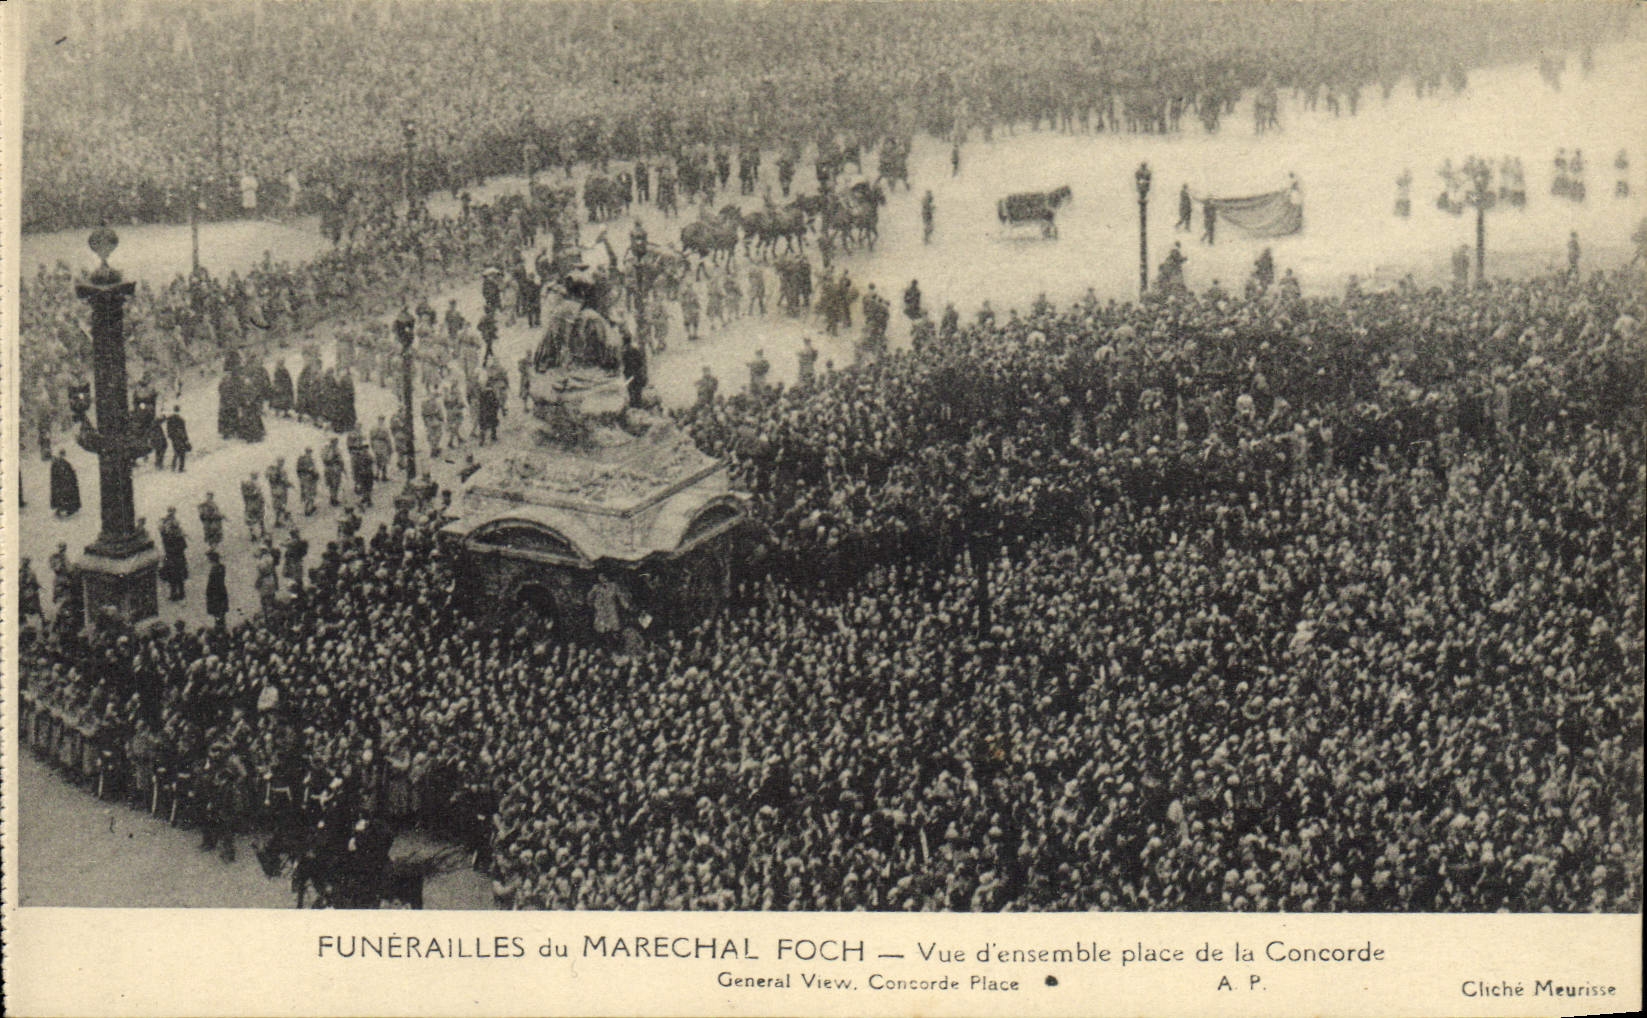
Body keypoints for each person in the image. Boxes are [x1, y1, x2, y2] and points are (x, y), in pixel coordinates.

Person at [158, 507, 189, 602]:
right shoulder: (175, 536)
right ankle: (178, 593)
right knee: (176, 577)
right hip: (177, 558)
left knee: (174, 577)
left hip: (173, 558)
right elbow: (184, 546)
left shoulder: (170, 536)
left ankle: (177, 593)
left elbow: (163, 534)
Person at [49, 449, 80, 518]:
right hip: (65, 483)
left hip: (62, 483)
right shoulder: (62, 463)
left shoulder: (58, 463)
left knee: (62, 495)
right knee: (65, 495)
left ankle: (63, 508)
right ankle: (67, 508)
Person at [621, 333, 647, 409]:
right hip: (637, 373)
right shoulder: (635, 349)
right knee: (638, 391)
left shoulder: (624, 351)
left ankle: (634, 406)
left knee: (631, 390)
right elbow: (641, 362)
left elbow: (624, 364)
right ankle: (638, 406)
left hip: (629, 373)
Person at [204, 550, 228, 626]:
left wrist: (208, 593)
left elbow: (211, 584)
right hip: (222, 591)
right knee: (221, 610)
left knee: (217, 611)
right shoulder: (221, 567)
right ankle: (221, 623)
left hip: (215, 593)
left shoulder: (214, 570)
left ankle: (219, 625)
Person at [267, 458, 292, 529]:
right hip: (281, 490)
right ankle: (280, 519)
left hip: (274, 490)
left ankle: (279, 519)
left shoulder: (272, 470)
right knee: (282, 504)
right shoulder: (282, 471)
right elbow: (285, 481)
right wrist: (289, 484)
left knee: (277, 505)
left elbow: (269, 479)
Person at [165, 406, 191, 471]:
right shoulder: (181, 419)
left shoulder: (170, 419)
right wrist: (186, 439)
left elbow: (168, 429)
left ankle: (173, 467)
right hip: (180, 438)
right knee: (182, 453)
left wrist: (170, 436)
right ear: (179, 410)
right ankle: (180, 468)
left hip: (174, 438)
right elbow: (184, 430)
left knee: (176, 451)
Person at [295, 447, 321, 516]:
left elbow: (298, 471)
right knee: (309, 494)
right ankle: (307, 510)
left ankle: (310, 507)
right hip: (308, 479)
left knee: (310, 494)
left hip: (308, 479)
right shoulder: (306, 459)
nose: (309, 453)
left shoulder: (303, 459)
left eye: (310, 452)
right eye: (309, 452)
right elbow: (301, 470)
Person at [242, 473, 266, 540]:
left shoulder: (246, 484)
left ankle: (253, 534)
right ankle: (262, 531)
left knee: (250, 519)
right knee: (260, 517)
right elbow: (260, 495)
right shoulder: (257, 484)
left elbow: (244, 496)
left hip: (249, 504)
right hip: (256, 504)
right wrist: (262, 502)